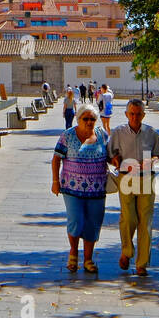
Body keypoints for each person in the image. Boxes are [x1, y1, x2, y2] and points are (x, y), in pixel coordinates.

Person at [51, 104, 111, 274]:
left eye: (92, 119)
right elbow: (56, 159)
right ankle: (73, 254)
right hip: (72, 188)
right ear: (78, 119)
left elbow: (111, 156)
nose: (89, 122)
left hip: (97, 189)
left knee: (93, 223)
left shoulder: (102, 135)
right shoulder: (68, 136)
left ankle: (88, 259)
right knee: (76, 220)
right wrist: (55, 181)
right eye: (86, 119)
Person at [108, 99, 159, 276]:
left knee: (145, 222)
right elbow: (110, 154)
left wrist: (152, 160)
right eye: (131, 113)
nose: (135, 117)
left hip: (146, 179)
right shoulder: (118, 133)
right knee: (128, 217)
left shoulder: (151, 133)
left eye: (138, 114)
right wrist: (115, 160)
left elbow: (158, 154)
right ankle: (127, 250)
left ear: (143, 115)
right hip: (126, 178)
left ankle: (142, 263)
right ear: (126, 114)